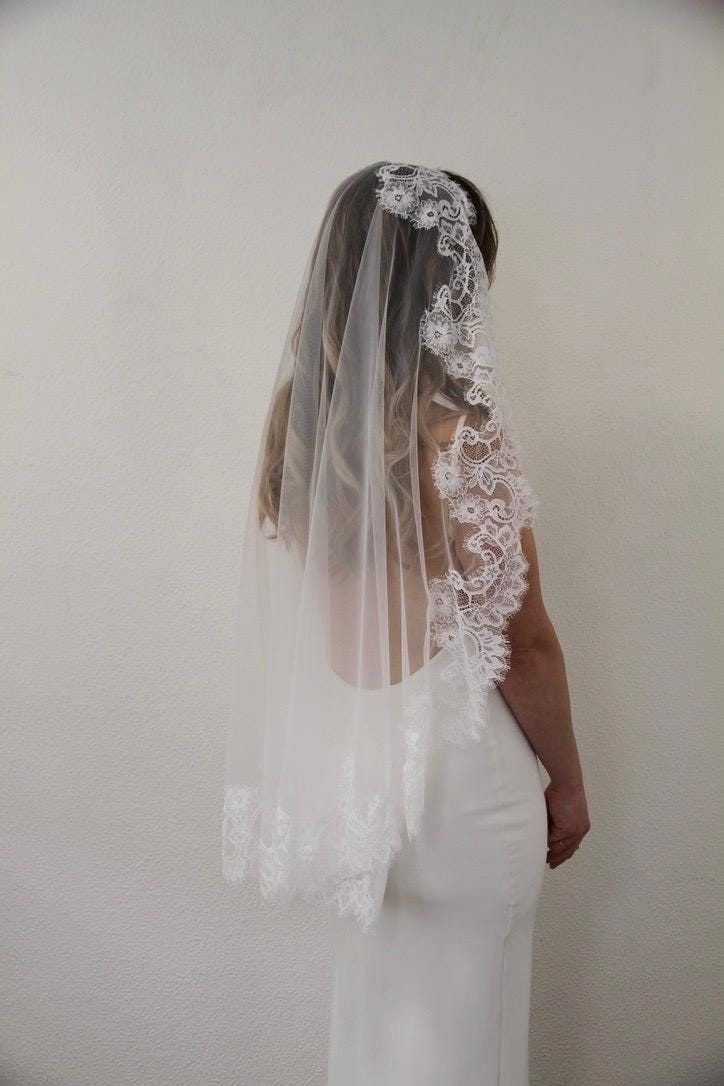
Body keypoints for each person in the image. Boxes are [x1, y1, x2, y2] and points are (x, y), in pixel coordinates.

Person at [223, 161, 590, 1085]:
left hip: (364, 782)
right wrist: (572, 783)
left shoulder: (300, 431)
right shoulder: (460, 441)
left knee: (381, 1035)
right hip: (466, 788)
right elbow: (526, 640)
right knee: (471, 1041)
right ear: (452, 287)